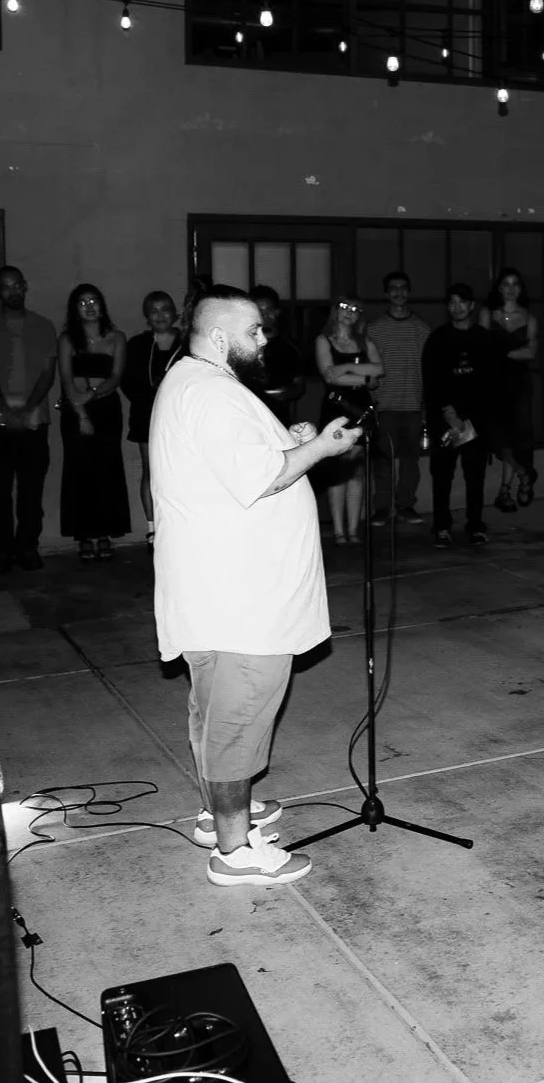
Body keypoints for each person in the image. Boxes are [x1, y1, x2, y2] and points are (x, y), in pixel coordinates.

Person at [150, 284, 361, 886]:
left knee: (215, 711)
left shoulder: (192, 381)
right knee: (238, 717)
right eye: (253, 331)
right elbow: (260, 480)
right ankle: (236, 851)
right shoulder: (210, 392)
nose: (264, 339)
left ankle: (218, 816)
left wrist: (287, 442)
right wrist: (320, 447)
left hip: (219, 588)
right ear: (219, 337)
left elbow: (235, 463)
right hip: (242, 596)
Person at [422, 282, 500, 547]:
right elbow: (432, 382)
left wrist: (478, 420)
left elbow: (492, 383)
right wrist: (449, 413)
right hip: (444, 418)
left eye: (461, 302)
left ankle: (475, 525)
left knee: (475, 474)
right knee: (442, 474)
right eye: (452, 302)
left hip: (476, 420)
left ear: (471, 306)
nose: (456, 307)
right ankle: (441, 527)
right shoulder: (437, 339)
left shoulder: (485, 338)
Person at [58, 284, 130, 562]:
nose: (89, 306)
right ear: (74, 309)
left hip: (107, 411)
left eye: (94, 301)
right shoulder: (67, 339)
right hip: (75, 411)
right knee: (80, 472)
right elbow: (66, 379)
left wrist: (93, 394)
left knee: (106, 471)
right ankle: (84, 536)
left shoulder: (117, 338)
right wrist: (82, 413)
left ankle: (105, 533)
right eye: (82, 302)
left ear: (102, 305)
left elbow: (116, 377)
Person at [0, 266, 58, 571]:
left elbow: (48, 374)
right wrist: (7, 412)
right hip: (0, 420)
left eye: (16, 285)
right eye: (5, 287)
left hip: (35, 420)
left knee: (31, 490)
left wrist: (25, 410)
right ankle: (4, 550)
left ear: (25, 286)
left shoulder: (44, 326)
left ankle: (27, 547)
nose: (13, 291)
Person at [315, 296, 384, 545]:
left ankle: (354, 531)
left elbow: (379, 371)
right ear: (335, 311)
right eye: (345, 308)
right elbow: (329, 375)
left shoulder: (364, 341)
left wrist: (345, 369)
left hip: (362, 409)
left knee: (357, 471)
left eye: (355, 310)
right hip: (337, 408)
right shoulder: (324, 340)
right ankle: (339, 531)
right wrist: (360, 375)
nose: (350, 313)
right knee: (338, 470)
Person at [367, 271, 431, 526]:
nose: (398, 293)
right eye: (393, 289)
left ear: (409, 292)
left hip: (413, 405)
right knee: (382, 462)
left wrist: (426, 405)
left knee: (410, 463)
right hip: (382, 406)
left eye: (403, 288)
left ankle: (405, 506)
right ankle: (382, 508)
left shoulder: (422, 329)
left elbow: (428, 370)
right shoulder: (374, 329)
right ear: (386, 294)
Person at [121, 291, 181, 552]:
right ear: (146, 317)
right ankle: (153, 529)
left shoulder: (188, 343)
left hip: (181, 419)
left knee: (182, 473)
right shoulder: (136, 345)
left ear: (175, 312)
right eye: (154, 311)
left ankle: (180, 527)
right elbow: (128, 382)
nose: (160, 315)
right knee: (152, 470)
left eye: (165, 309)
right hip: (147, 416)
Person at [480, 267, 538, 511]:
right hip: (493, 382)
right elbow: (482, 350)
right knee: (498, 436)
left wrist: (501, 353)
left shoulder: (529, 317)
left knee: (517, 436)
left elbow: (532, 353)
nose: (511, 288)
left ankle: (506, 490)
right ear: (499, 288)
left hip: (519, 382)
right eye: (506, 283)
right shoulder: (487, 314)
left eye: (516, 283)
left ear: (521, 289)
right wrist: (512, 354)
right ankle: (524, 475)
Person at [249, 285, 306, 428]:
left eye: (269, 310)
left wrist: (286, 393)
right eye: (259, 310)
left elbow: (299, 385)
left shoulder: (289, 346)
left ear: (277, 312)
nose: (264, 315)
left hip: (278, 417)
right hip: (248, 416)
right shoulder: (242, 343)